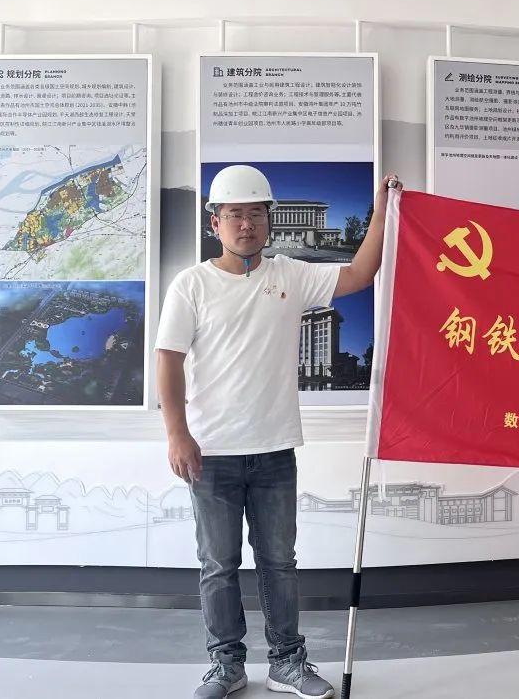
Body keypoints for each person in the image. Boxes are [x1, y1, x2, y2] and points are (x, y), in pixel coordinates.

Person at [155, 165, 401, 699]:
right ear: (215, 222)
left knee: (279, 564)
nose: (246, 224)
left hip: (273, 450)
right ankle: (226, 665)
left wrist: (383, 208)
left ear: (269, 220)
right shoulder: (192, 285)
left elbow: (361, 273)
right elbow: (168, 360)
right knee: (218, 566)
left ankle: (287, 662)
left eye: (255, 214)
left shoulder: (291, 274)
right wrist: (177, 433)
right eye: (234, 215)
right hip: (211, 452)